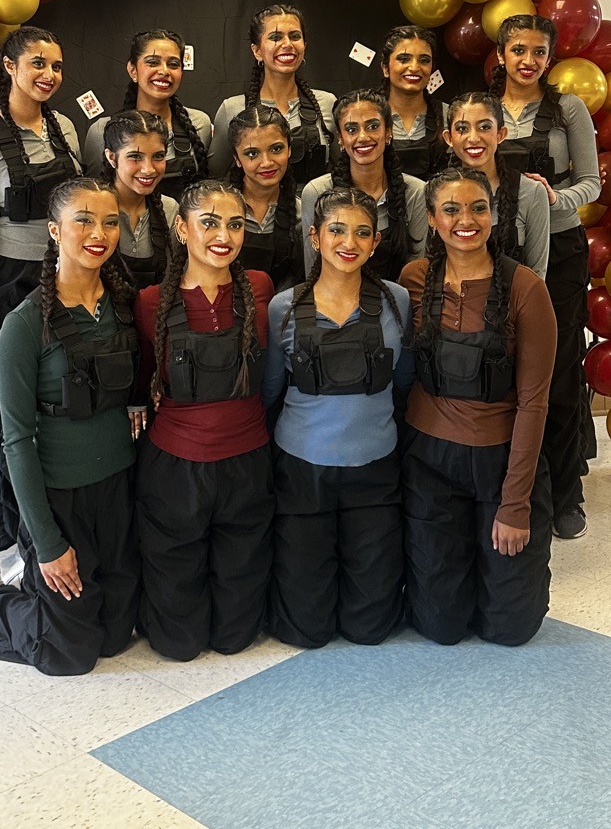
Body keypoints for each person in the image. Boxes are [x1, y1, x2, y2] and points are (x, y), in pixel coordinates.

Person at [0, 177, 145, 676]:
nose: (97, 232)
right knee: (69, 654)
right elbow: (14, 441)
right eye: (82, 220)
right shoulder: (23, 324)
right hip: (59, 498)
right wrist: (47, 543)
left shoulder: (125, 309)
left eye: (108, 221)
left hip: (117, 491)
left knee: (116, 638)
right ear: (55, 231)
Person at [400, 167, 557, 647]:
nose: (465, 220)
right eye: (450, 209)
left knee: (510, 629)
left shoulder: (526, 288)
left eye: (478, 208)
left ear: (494, 215)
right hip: (430, 462)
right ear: (431, 218)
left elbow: (534, 404)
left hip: (501, 460)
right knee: (440, 627)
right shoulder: (412, 280)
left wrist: (514, 506)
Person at [0, 26, 81, 597]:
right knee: (14, 424)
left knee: (60, 414)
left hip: (65, 282)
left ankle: (51, 535)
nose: (48, 75)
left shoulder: (67, 130)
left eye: (55, 65)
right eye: (37, 64)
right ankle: (3, 545)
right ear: (9, 66)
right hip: (10, 289)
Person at [262, 187, 411, 649]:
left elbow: (403, 381)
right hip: (303, 468)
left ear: (375, 243)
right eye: (338, 230)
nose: (350, 242)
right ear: (314, 236)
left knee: (371, 629)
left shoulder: (397, 301)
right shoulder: (282, 308)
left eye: (362, 233)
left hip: (375, 469)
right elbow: (271, 388)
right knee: (306, 630)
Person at [133, 180, 274, 662]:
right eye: (209, 222)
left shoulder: (258, 288)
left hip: (248, 463)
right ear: (181, 228)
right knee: (178, 645)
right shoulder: (152, 302)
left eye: (235, 223)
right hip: (176, 466)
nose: (224, 234)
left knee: (236, 637)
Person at [490, 14, 600, 541]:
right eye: (518, 49)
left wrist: (556, 199)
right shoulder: (481, 111)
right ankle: (515, 489)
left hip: (560, 248)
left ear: (549, 58)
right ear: (501, 54)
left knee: (556, 372)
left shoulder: (568, 110)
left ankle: (565, 496)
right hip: (498, 249)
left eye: (538, 51)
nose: (527, 60)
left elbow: (592, 182)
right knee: (505, 367)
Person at [301, 89, 428, 280]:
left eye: (373, 126)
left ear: (388, 132)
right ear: (341, 139)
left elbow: (415, 275)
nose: (362, 137)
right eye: (352, 129)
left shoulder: (416, 192)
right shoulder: (317, 191)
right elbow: (313, 275)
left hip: (399, 305)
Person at [208, 4, 335, 186]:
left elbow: (343, 171)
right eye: (276, 37)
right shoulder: (233, 109)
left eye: (295, 36)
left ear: (304, 46)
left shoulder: (326, 105)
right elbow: (214, 177)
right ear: (257, 50)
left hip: (314, 212)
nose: (287, 44)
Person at [84, 29, 210, 200]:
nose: (164, 71)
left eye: (173, 64)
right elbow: (92, 197)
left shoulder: (199, 124)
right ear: (133, 70)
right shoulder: (101, 131)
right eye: (152, 62)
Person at [444, 91, 550, 278]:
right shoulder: (435, 193)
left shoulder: (532, 192)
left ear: (501, 134)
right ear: (449, 138)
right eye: (462, 128)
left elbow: (537, 276)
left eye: (484, 127)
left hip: (514, 303)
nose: (474, 138)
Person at [226, 105, 304, 293]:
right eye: (252, 153)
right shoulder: (215, 209)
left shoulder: (301, 212)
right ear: (237, 159)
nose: (267, 162)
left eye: (276, 149)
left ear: (289, 150)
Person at [102, 110, 178, 289]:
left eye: (158, 156)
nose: (148, 169)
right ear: (112, 157)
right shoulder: (91, 209)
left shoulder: (170, 209)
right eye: (135, 157)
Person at [378, 24, 449, 180]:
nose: (415, 67)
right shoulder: (367, 117)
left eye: (424, 60)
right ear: (385, 68)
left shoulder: (449, 115)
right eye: (404, 59)